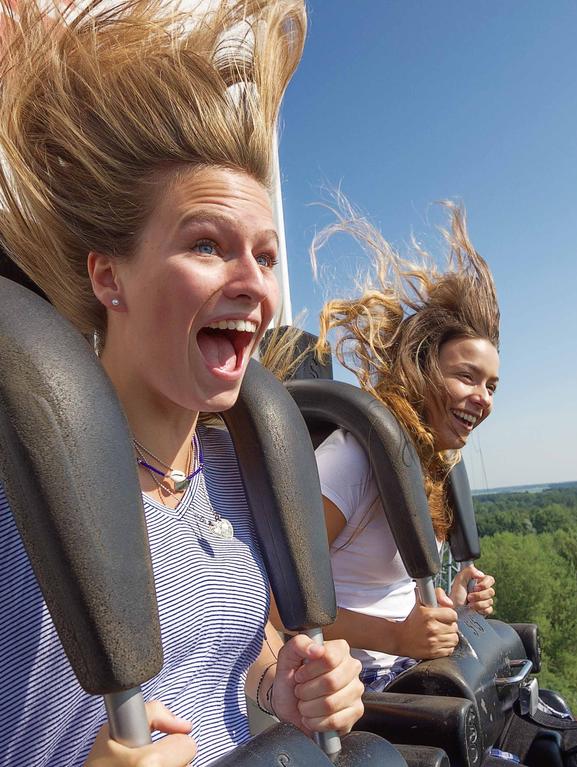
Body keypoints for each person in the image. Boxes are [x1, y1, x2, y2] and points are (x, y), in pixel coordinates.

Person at [0, 2, 363, 765]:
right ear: (110, 276)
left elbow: (237, 650)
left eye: (264, 256)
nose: (254, 285)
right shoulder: (18, 481)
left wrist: (285, 686)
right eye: (207, 244)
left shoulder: (237, 468)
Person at [299, 201, 500, 690]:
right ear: (422, 370)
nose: (483, 398)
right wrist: (398, 638)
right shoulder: (353, 458)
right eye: (466, 377)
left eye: (492, 386)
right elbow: (277, 603)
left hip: (410, 670)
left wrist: (447, 606)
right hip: (357, 683)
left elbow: (392, 598)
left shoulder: (423, 468)